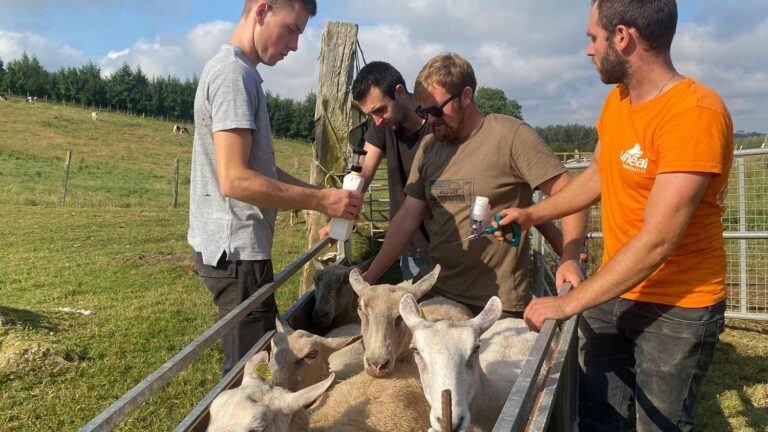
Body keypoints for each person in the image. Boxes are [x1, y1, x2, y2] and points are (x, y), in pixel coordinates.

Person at [497, 1, 733, 430]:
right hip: (616, 286)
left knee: (659, 423)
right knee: (598, 413)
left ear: (622, 37)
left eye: (593, 37)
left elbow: (658, 240)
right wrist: (532, 213)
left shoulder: (695, 114)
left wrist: (569, 303)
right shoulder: (618, 101)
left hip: (678, 306)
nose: (589, 50)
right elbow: (597, 178)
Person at [188, 0, 363, 374]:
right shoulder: (234, 76)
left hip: (234, 250)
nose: (295, 45)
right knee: (248, 374)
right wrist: (320, 197)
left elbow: (259, 168)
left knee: (255, 360)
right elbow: (234, 179)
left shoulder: (240, 73)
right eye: (292, 29)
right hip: (236, 252)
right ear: (263, 10)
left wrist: (322, 204)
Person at [363, 53, 586, 316]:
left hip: (496, 306)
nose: (430, 120)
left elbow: (573, 195)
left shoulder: (511, 136)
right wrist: (368, 279)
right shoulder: (429, 146)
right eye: (424, 111)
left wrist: (569, 257)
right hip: (438, 296)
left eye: (436, 110)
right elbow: (406, 219)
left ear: (466, 96)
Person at [350, 61, 432, 280]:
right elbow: (362, 174)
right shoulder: (381, 125)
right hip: (411, 246)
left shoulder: (437, 123)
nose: (376, 121)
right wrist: (341, 214)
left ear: (399, 92)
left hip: (448, 245)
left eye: (379, 110)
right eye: (370, 115)